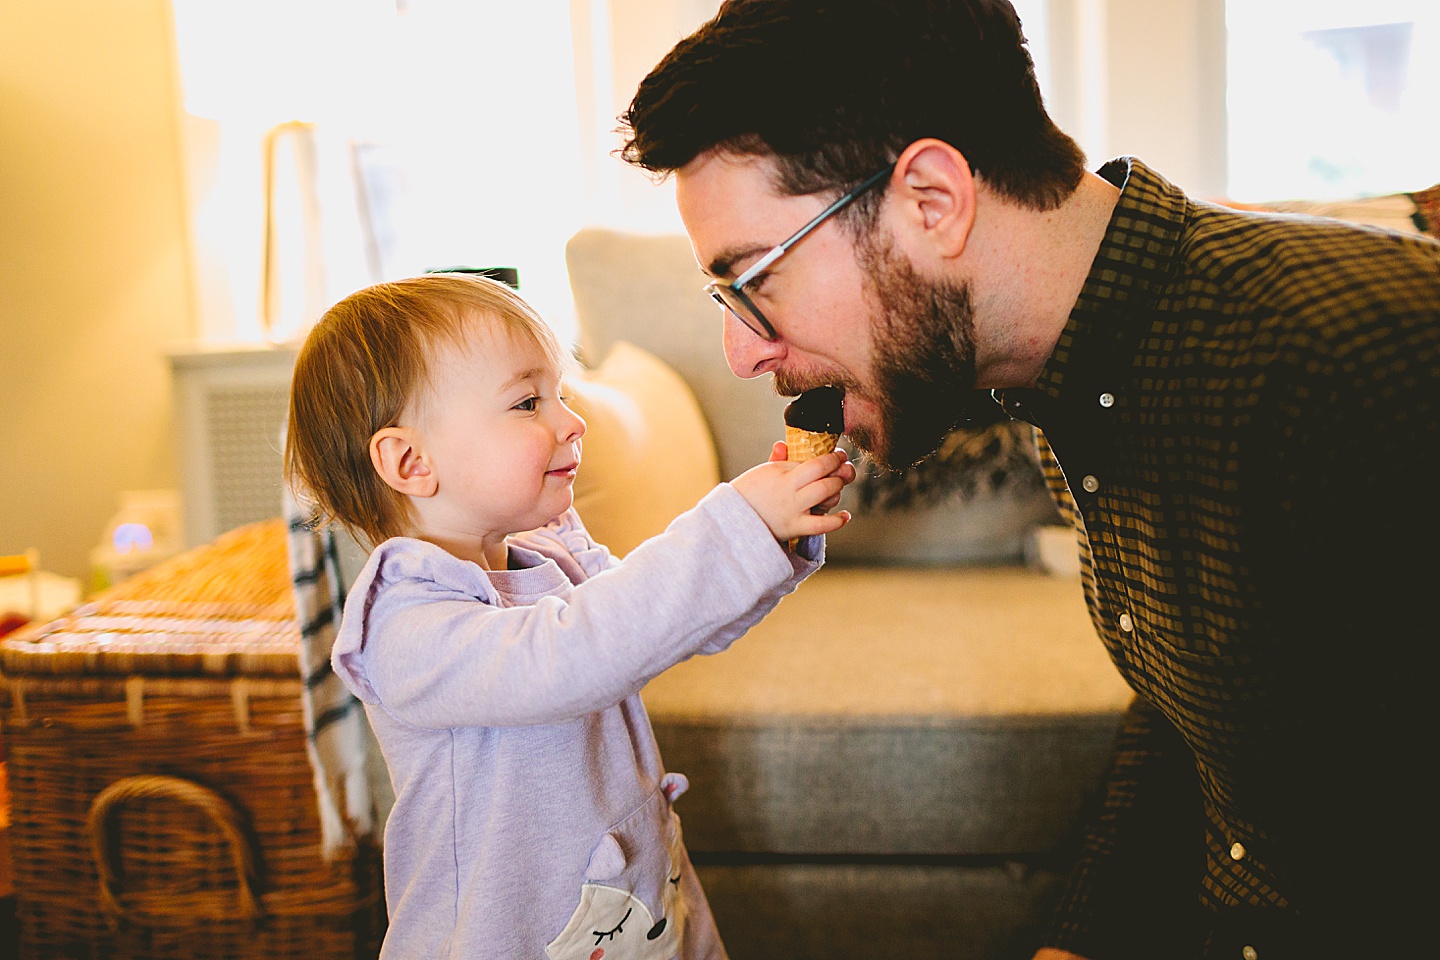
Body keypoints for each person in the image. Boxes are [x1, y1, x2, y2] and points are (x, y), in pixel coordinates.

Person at [617, 1, 1440, 957]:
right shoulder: (1060, 381)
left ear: (933, 198)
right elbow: (1204, 714)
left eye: (754, 278)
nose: (740, 352)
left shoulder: (1356, 362)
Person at [283, 272, 856, 959]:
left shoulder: (546, 553)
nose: (572, 420)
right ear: (411, 460)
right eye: (528, 402)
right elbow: (572, 654)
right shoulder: (403, 623)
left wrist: (768, 539)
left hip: (636, 902)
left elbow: (659, 627)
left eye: (560, 392)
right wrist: (732, 525)